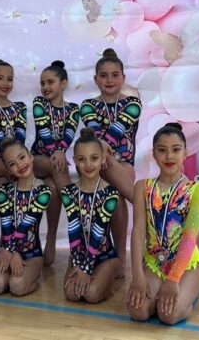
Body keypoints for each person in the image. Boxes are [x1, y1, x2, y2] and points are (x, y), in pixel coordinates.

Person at [127, 123, 199, 325]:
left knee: (168, 316)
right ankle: (159, 295)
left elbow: (190, 236)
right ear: (154, 154)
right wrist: (137, 274)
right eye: (162, 150)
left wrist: (173, 280)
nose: (169, 156)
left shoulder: (197, 190)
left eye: (175, 149)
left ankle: (185, 299)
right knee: (139, 311)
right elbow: (138, 230)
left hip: (186, 262)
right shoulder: (142, 187)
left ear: (185, 153)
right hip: (154, 261)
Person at [80, 48, 142, 265]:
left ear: (123, 78)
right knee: (115, 195)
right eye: (103, 75)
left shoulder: (132, 104)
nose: (109, 80)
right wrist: (102, 149)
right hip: (96, 167)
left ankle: (120, 257)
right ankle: (146, 208)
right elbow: (96, 134)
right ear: (96, 79)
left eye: (115, 75)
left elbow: (116, 132)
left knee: (113, 186)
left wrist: (103, 148)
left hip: (124, 166)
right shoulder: (88, 105)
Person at [61, 128, 121, 303]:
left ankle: (111, 271)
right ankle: (78, 268)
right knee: (71, 295)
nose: (88, 165)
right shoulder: (68, 192)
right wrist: (78, 264)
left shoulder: (110, 192)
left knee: (92, 295)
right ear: (74, 162)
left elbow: (97, 232)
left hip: (104, 255)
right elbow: (73, 229)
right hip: (79, 253)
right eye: (82, 159)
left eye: (94, 158)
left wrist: (86, 269)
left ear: (102, 158)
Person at [0, 137, 50, 296]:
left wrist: (9, 249)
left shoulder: (43, 192)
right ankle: (10, 270)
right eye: (12, 164)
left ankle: (32, 278)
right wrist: (10, 252)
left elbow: (24, 226)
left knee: (16, 286)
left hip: (31, 253)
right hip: (8, 249)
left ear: (31, 156)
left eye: (22, 157)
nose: (20, 165)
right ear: (8, 170)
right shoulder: (5, 191)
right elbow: (6, 226)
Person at [31, 60, 80, 265]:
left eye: (50, 82)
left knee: (52, 187)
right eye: (42, 83)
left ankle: (50, 241)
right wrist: (57, 152)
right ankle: (77, 217)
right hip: (38, 161)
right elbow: (44, 132)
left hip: (56, 164)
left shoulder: (73, 109)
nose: (45, 87)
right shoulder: (39, 104)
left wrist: (60, 151)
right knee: (56, 165)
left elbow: (68, 135)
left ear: (63, 83)